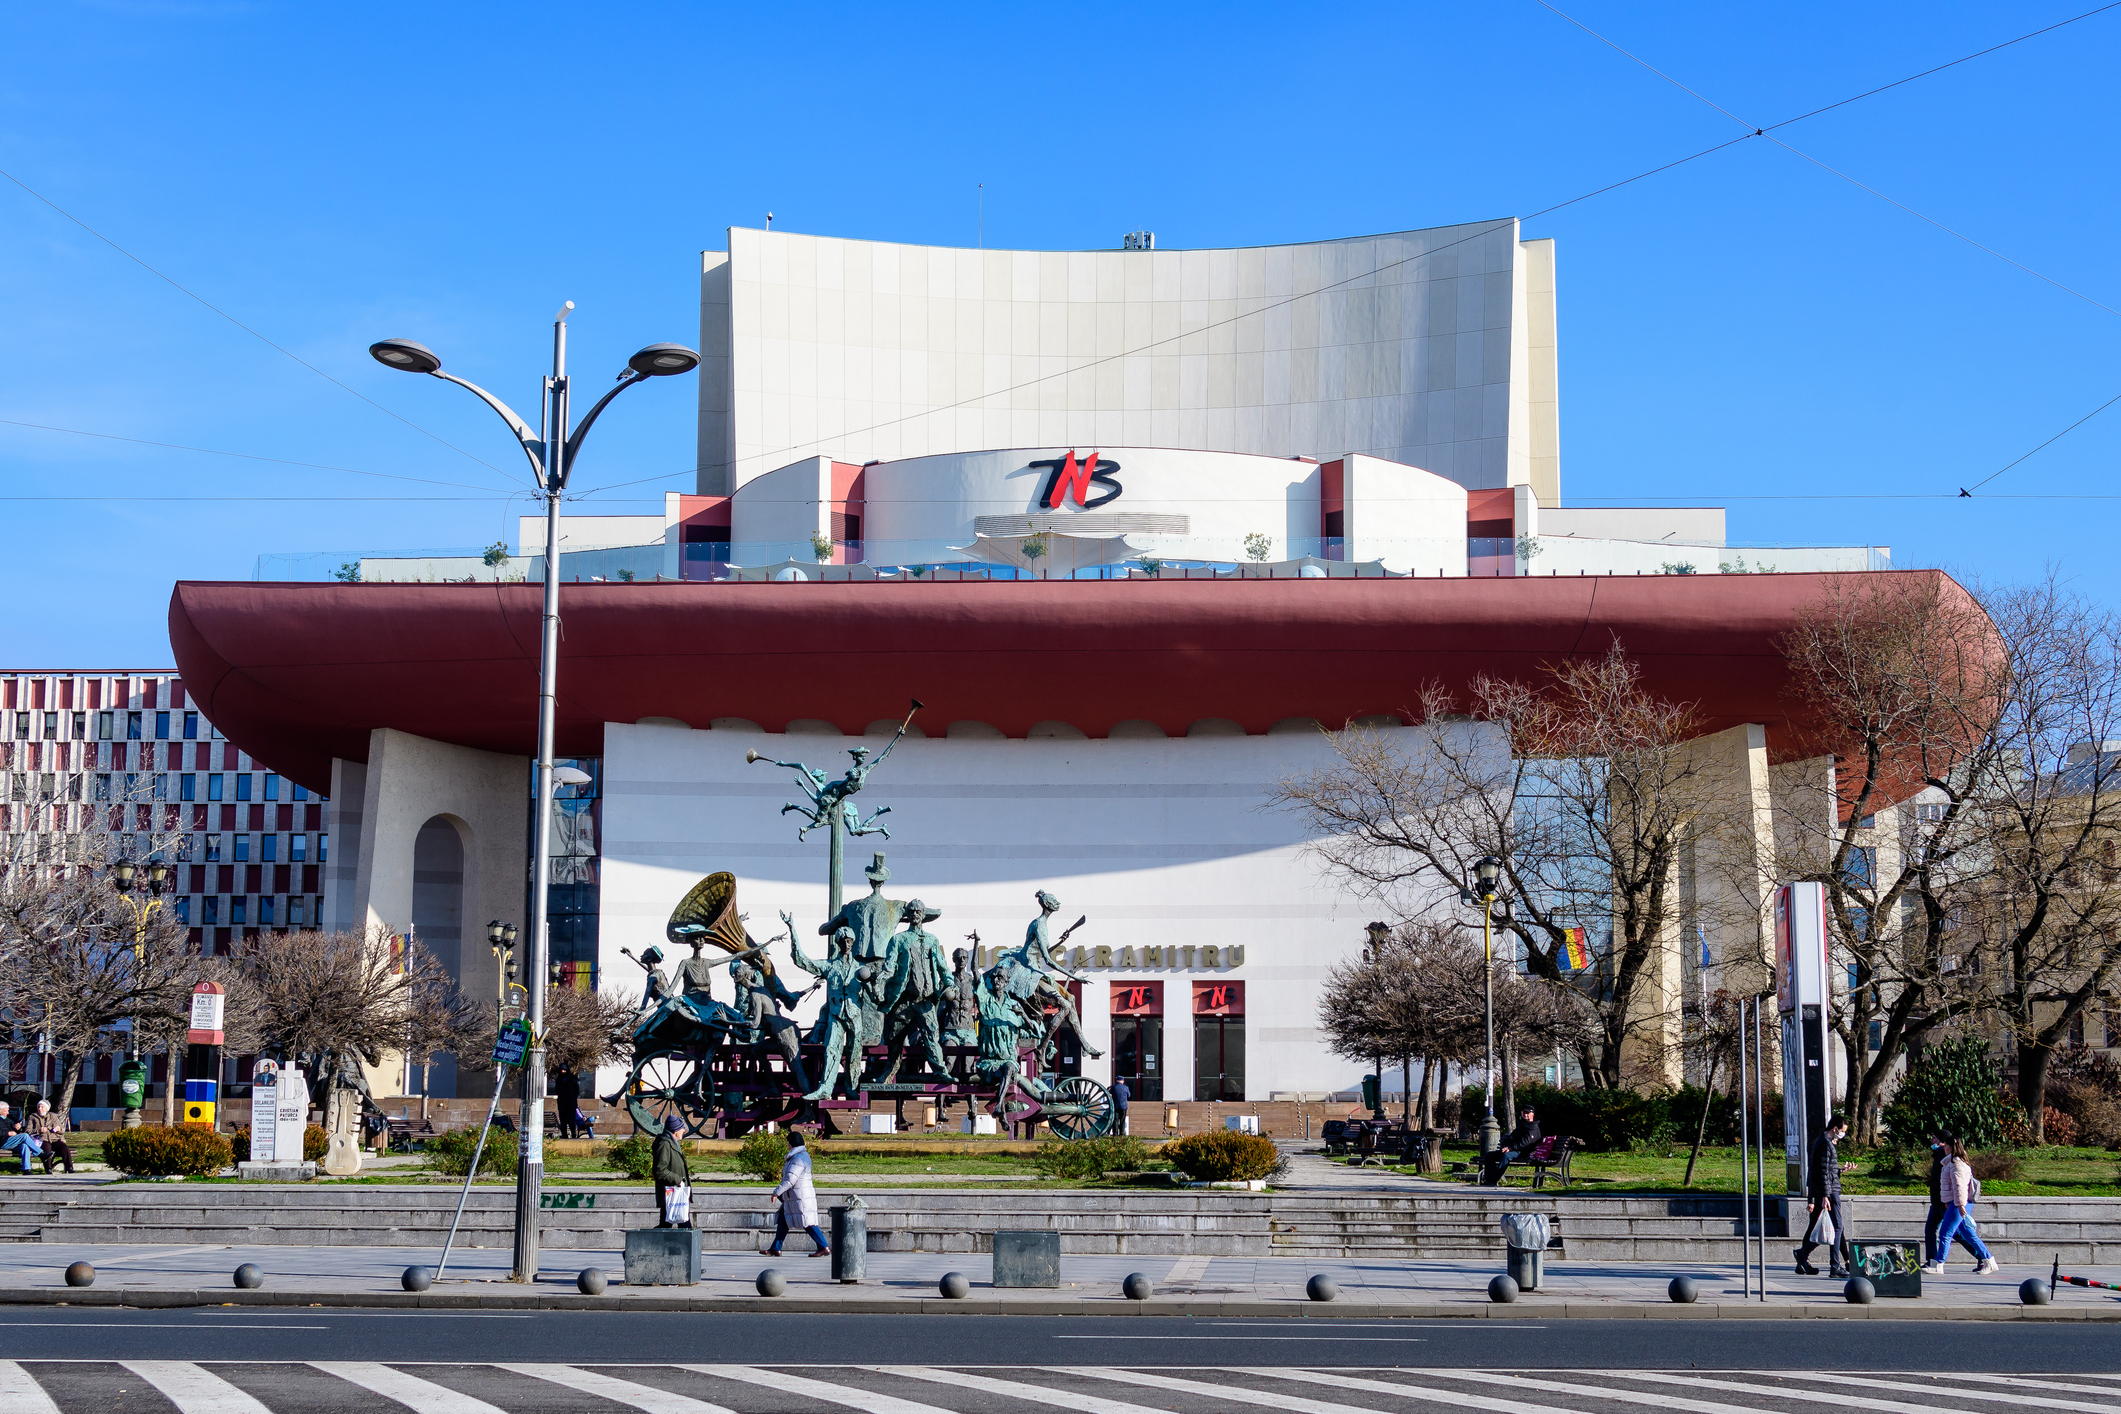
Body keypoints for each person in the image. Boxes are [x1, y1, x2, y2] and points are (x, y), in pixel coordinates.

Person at [1925, 1137, 1999, 1275]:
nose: (1944, 1149)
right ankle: (1989, 1260)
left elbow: (1960, 1187)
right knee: (1968, 1234)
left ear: (1952, 1148)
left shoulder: (1956, 1164)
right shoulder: (1952, 1163)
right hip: (1957, 1203)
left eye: (1946, 1146)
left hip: (1959, 1204)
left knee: (1945, 1234)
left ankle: (1939, 1264)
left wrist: (1959, 1205)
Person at [1795, 1114, 1855, 1277]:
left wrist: (1840, 1171)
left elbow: (1826, 1170)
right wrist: (1823, 1196)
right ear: (1835, 1129)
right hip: (1830, 1192)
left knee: (1832, 1228)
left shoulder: (1825, 1143)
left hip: (1830, 1190)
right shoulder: (1825, 1144)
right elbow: (1820, 1173)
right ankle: (1834, 1266)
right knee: (1836, 1228)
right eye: (1842, 1131)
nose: (1842, 1135)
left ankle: (1804, 1253)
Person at [766, 1130, 829, 1257]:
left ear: (790, 1143)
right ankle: (775, 1248)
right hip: (794, 1196)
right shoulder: (798, 1156)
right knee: (783, 1219)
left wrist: (776, 1192)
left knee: (807, 1223)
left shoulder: (798, 1158)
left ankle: (824, 1247)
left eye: (787, 1142)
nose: (787, 1145)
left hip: (800, 1196)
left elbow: (790, 1180)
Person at [651, 1116, 692, 1229]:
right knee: (683, 1227)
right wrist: (678, 1180)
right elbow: (660, 1170)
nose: (684, 1130)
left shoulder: (672, 1143)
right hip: (671, 1194)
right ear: (675, 1130)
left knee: (667, 1226)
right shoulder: (664, 1144)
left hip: (676, 1193)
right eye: (682, 1128)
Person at [1487, 1105, 1542, 1184]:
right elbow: (1513, 1136)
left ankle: (1494, 1180)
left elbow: (1526, 1142)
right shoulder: (1522, 1124)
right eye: (1524, 1113)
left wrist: (1510, 1148)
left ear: (1532, 1114)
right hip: (1515, 1149)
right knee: (1490, 1156)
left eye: (1527, 1113)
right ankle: (1488, 1179)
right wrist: (1506, 1144)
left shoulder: (1533, 1127)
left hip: (1524, 1151)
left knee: (1506, 1156)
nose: (1525, 1115)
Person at [29, 1102, 73, 1176]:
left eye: (42, 1107)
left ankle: (69, 1167)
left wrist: (58, 1129)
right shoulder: (33, 1117)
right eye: (39, 1107)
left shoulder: (53, 1116)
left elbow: (61, 1131)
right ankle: (48, 1168)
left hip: (54, 1138)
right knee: (47, 1147)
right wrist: (39, 1130)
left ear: (47, 1109)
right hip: (42, 1139)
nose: (40, 1109)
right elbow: (28, 1131)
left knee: (64, 1147)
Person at [0, 1102, 39, 1175]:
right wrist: (7, 1133)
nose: (8, 1113)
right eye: (5, 1111)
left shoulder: (9, 1120)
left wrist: (17, 1129)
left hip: (11, 1142)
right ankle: (39, 1153)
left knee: (24, 1146)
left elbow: (15, 1133)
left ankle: (26, 1169)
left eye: (8, 1110)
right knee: (24, 1135)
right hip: (3, 1142)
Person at [553, 1067, 581, 1140]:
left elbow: (577, 1090)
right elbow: (556, 1090)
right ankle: (564, 1135)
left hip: (571, 1103)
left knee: (571, 1120)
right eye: (561, 1070)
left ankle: (573, 1134)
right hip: (562, 1104)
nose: (563, 1071)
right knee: (563, 1121)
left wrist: (573, 1098)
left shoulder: (573, 1078)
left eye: (564, 1070)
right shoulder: (559, 1079)